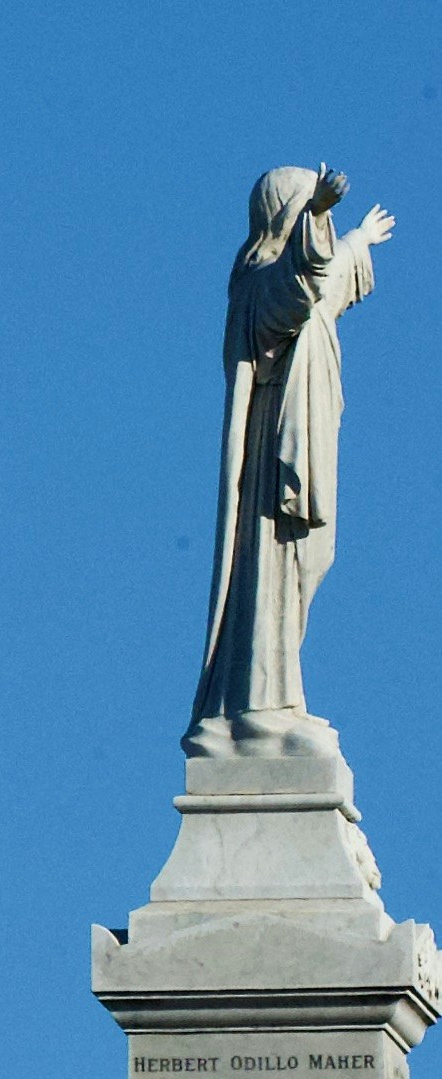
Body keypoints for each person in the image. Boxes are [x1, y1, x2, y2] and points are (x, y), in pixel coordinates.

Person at [193, 166, 394, 755]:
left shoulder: (295, 272)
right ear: (287, 212)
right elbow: (300, 285)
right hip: (275, 459)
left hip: (309, 441)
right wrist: (321, 218)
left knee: (310, 560)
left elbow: (326, 283)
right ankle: (256, 710)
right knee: (275, 568)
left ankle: (277, 698)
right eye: (306, 206)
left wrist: (356, 239)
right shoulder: (260, 284)